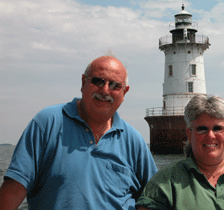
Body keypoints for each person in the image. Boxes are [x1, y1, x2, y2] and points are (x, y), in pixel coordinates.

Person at [0, 56, 157, 210]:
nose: (105, 90)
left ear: (124, 92)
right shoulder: (47, 123)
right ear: (83, 82)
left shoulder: (134, 141)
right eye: (98, 81)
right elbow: (14, 190)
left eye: (115, 85)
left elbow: (154, 199)